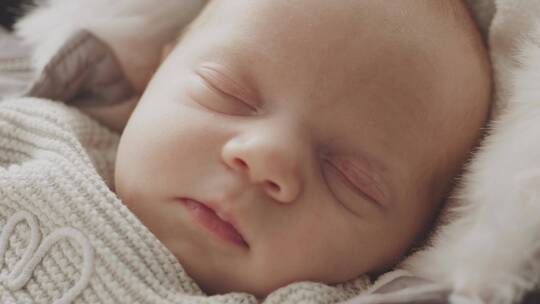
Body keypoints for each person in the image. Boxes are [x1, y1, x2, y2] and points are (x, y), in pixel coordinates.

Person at [111, 0, 492, 298]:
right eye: (226, 91)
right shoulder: (54, 138)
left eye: (349, 178)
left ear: (409, 246)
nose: (266, 157)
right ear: (154, 76)